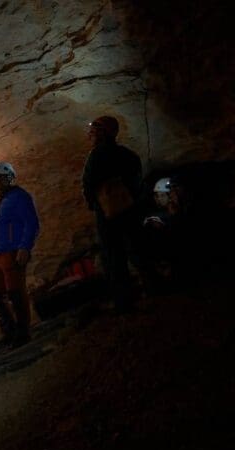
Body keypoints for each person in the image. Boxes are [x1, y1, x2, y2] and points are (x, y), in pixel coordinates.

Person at [81, 116, 143, 312]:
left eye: (95, 129)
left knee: (113, 256)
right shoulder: (127, 154)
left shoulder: (96, 155)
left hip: (107, 210)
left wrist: (93, 203)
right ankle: (153, 284)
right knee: (135, 248)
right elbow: (136, 178)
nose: (90, 133)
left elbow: (89, 184)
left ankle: (124, 301)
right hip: (129, 207)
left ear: (104, 132)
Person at [0, 161, 40, 348]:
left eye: (0, 178)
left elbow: (31, 222)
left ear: (9, 178)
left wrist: (25, 247)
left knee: (16, 292)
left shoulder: (19, 196)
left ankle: (23, 332)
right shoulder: (3, 200)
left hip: (13, 251)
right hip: (1, 253)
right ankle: (10, 330)